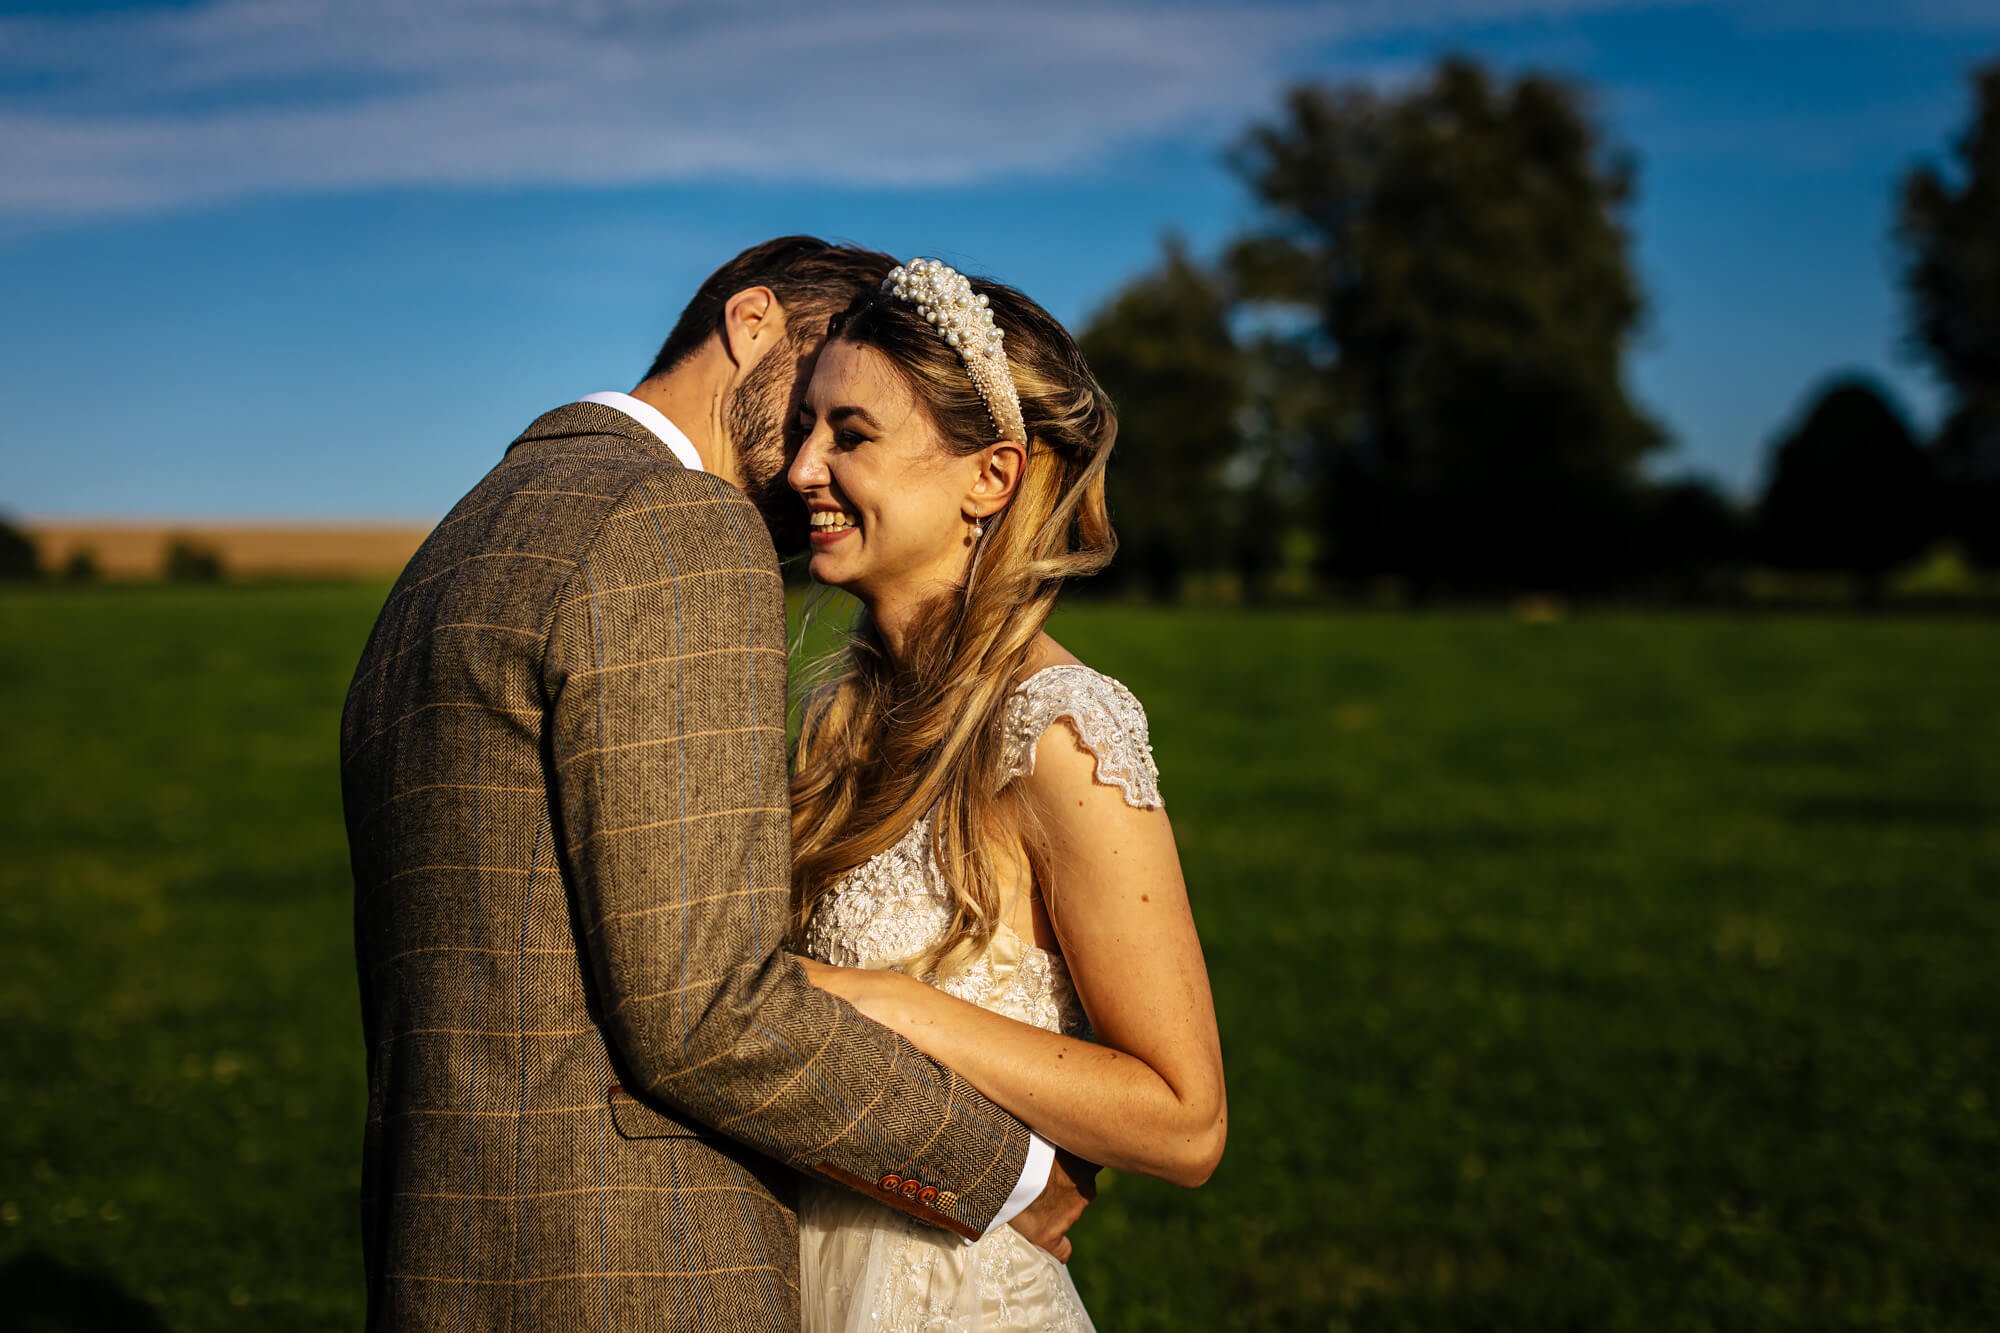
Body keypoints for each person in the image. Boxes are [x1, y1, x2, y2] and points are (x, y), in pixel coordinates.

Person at [338, 238, 1090, 1333]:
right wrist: (1011, 1175)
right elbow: (702, 1010)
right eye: (816, 405)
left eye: (857, 425)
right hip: (635, 1265)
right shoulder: (672, 522)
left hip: (446, 1252)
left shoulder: (455, 547)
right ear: (749, 324)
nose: (804, 471)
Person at [785, 259, 1227, 1330]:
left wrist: (889, 1006)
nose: (801, 467)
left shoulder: (1059, 729)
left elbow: (1184, 1119)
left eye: (850, 434)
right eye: (806, 428)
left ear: (989, 475)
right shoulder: (840, 718)